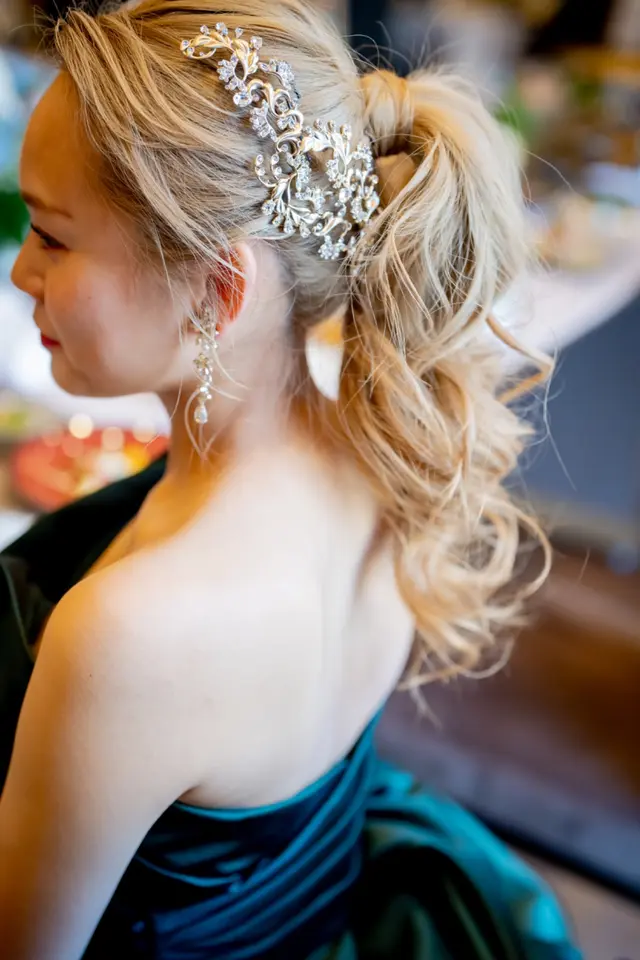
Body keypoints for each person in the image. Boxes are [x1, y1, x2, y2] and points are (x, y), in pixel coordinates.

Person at [0, 1, 581, 957]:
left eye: (52, 237)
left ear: (219, 288)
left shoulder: (129, 636)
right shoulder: (390, 445)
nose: (22, 272)